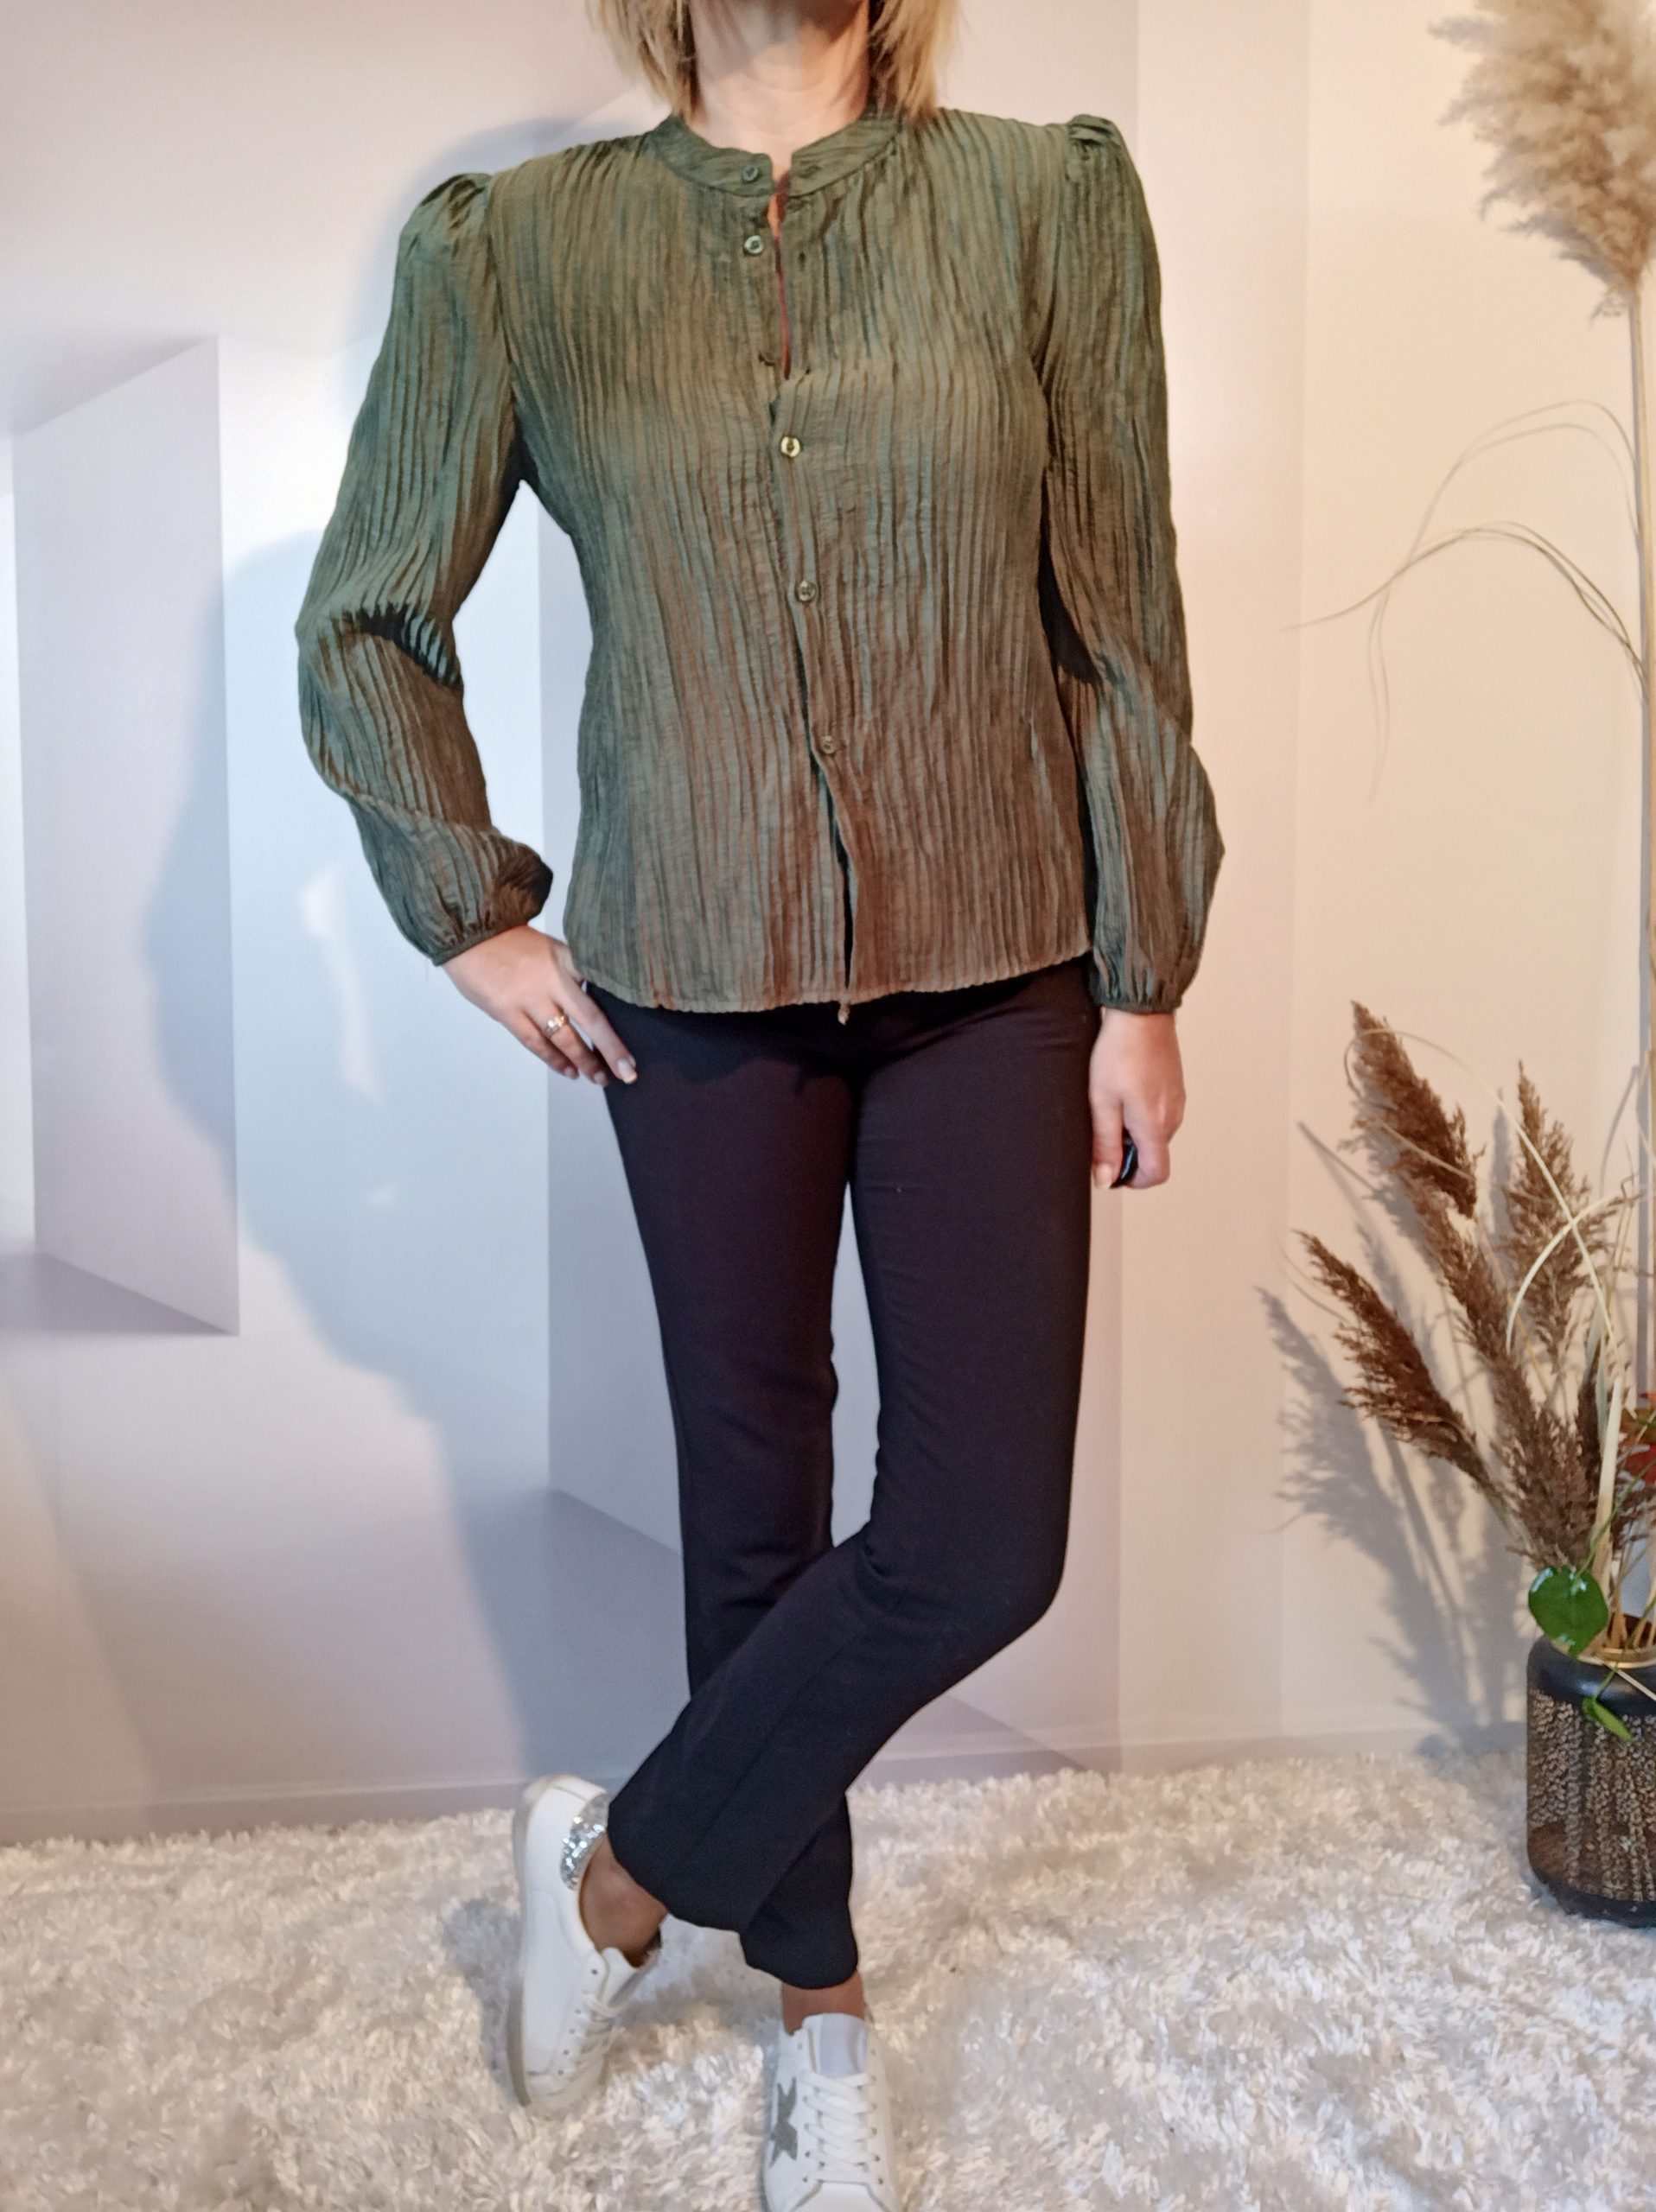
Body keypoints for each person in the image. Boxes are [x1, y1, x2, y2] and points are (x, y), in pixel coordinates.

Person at [294, 0, 1223, 2201]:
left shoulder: (1042, 207)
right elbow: (369, 615)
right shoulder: (516, 250)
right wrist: (468, 912)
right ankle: (817, 2001)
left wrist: (1143, 971)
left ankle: (614, 1872)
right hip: (690, 971)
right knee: (752, 1497)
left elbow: (1118, 620)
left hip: (998, 962)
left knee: (978, 1539)